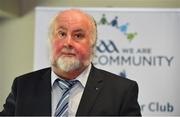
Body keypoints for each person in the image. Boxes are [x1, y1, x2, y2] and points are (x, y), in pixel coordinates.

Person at [0, 9, 141, 116]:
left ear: (92, 44)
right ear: (50, 40)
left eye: (78, 35)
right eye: (61, 34)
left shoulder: (122, 91)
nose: (68, 42)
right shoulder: (23, 86)